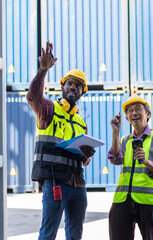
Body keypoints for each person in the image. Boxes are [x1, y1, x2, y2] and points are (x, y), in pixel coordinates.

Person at [26, 41, 96, 240]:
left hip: (78, 185)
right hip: (55, 181)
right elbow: (32, 97)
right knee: (48, 235)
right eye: (70, 83)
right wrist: (42, 70)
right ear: (63, 87)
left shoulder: (81, 122)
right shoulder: (49, 109)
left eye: (78, 85)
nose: (73, 87)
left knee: (75, 235)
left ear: (82, 92)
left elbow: (83, 161)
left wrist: (86, 155)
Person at [108, 95, 153, 240]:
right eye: (129, 111)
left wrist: (147, 161)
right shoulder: (124, 140)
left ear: (148, 114)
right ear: (127, 119)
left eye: (138, 109)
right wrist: (115, 132)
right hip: (123, 200)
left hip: (149, 201)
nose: (133, 113)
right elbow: (115, 159)